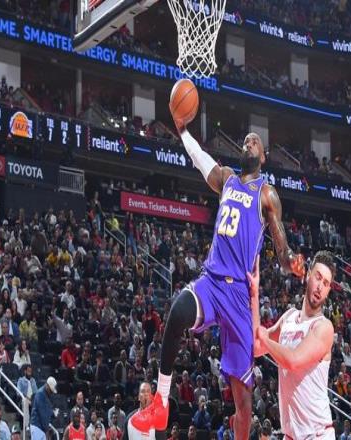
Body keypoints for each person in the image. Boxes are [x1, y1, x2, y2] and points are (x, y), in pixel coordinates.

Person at [138, 109, 305, 438]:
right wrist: (183, 132)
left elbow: (282, 249)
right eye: (246, 140)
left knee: (244, 404)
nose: (249, 142)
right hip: (212, 282)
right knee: (177, 311)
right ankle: (161, 401)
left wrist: (293, 261)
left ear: (263, 157)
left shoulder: (266, 193)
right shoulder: (227, 179)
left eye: (255, 142)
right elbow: (201, 160)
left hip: (239, 295)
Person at [250, 251, 336, 439]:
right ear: (308, 275)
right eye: (318, 277)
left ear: (328, 290)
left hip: (317, 434)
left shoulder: (324, 327)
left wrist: (266, 339)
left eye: (326, 283)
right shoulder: (288, 317)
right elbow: (256, 347)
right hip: (291, 435)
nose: (320, 287)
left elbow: (293, 361)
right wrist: (254, 295)